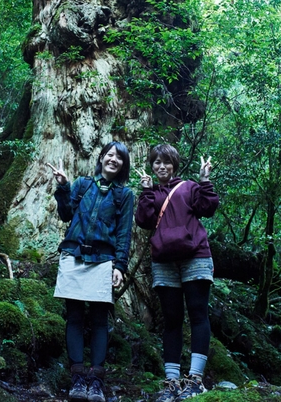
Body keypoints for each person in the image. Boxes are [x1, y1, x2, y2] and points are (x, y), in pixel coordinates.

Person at [47, 141, 135, 402]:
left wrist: (120, 266)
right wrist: (63, 186)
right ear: (101, 157)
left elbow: (124, 233)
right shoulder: (83, 185)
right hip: (74, 255)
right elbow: (65, 215)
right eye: (110, 155)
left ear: (123, 165)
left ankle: (95, 380)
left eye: (119, 158)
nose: (113, 160)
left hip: (103, 259)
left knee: (98, 320)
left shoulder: (124, 194)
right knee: (74, 317)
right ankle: (77, 377)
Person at [135, 143, 219, 402]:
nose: (161, 166)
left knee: (197, 314)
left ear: (175, 164)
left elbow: (209, 208)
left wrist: (205, 180)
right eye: (157, 162)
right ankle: (171, 382)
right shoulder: (152, 192)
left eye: (166, 162)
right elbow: (144, 220)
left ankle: (195, 380)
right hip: (164, 261)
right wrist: (147, 192)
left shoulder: (189, 187)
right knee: (171, 319)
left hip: (195, 256)